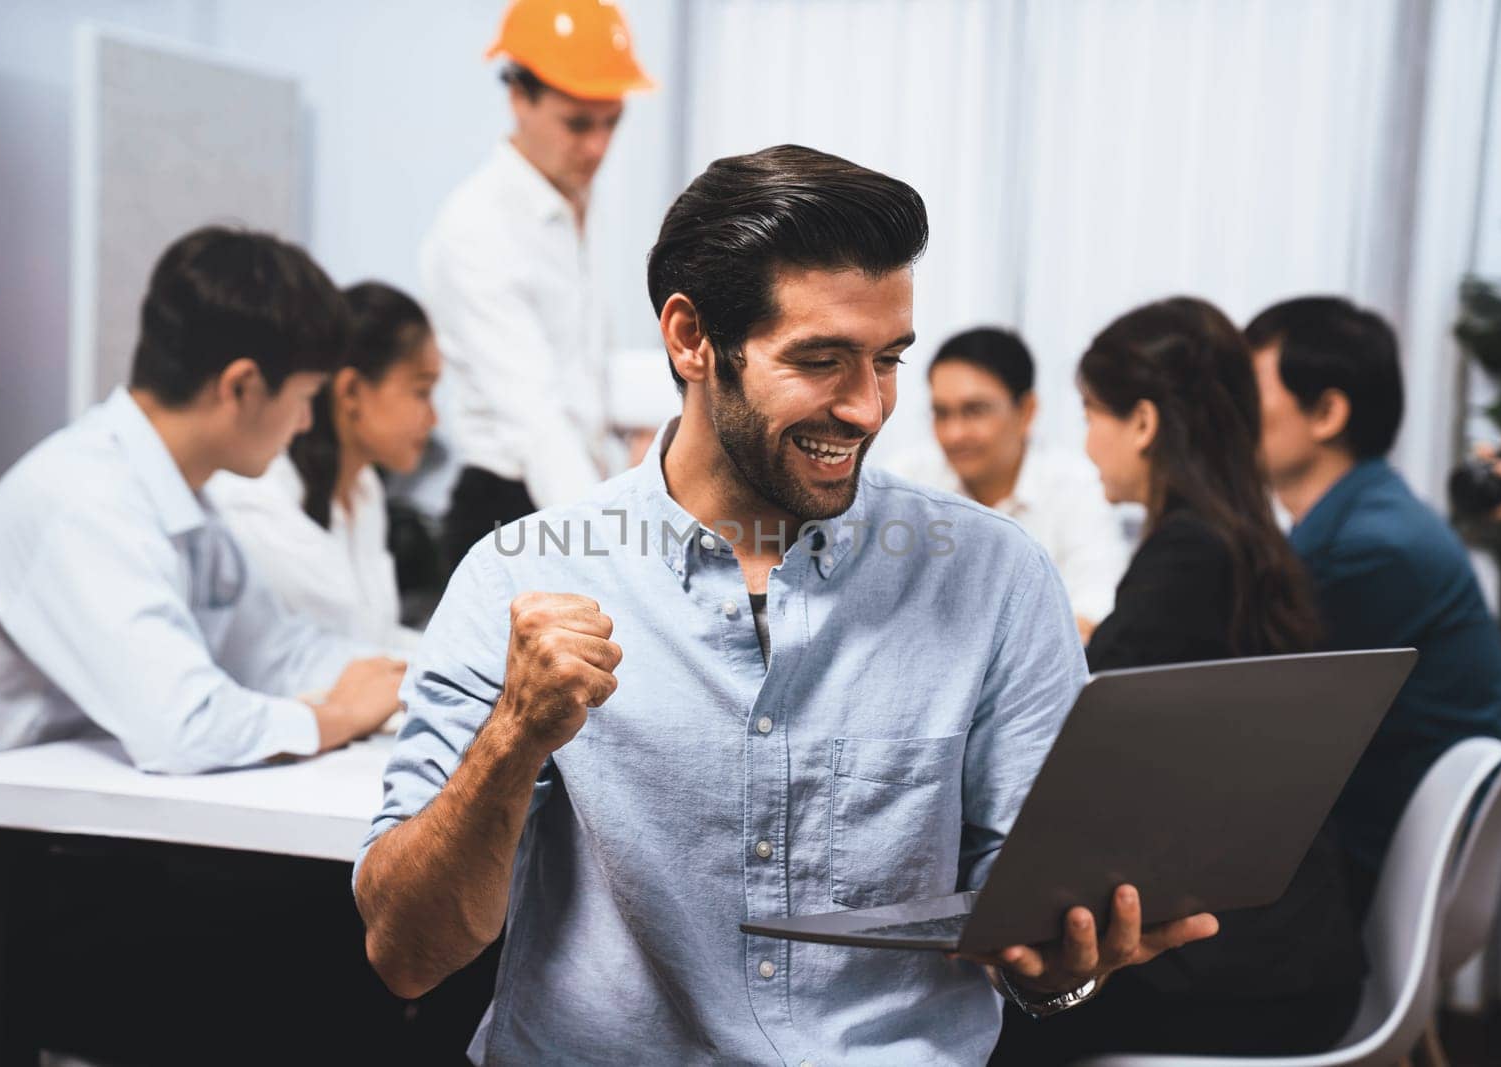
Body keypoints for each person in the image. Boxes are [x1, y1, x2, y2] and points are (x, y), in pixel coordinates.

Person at [354, 145, 1216, 1065]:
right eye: (821, 360)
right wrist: (512, 736)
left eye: (887, 360)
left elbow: (1030, 940)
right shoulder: (516, 576)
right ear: (690, 340)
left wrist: (1064, 967)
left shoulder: (998, 581)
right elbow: (407, 954)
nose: (867, 407)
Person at [0, 226, 405, 1048]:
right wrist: (335, 718)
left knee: (358, 931)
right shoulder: (82, 499)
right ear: (242, 385)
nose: (301, 425)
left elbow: (280, 652)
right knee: (332, 962)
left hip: (92, 861)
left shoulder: (181, 501)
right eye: (303, 396)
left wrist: (418, 676)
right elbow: (182, 726)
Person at [990, 298, 1365, 1063]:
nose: (1087, 440)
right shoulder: (1250, 541)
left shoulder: (1189, 556)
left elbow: (1080, 732)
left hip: (1233, 972)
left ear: (1145, 423)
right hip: (1293, 946)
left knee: (980, 1018)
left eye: (1093, 412)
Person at [1245, 296, 1501, 916]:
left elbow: (1254, 721)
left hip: (1377, 876)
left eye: (1245, 391)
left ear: (1326, 411)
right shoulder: (1368, 518)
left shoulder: (1366, 549)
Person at [420, 0, 655, 574]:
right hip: (509, 509)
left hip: (574, 491)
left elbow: (582, 371)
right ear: (519, 97)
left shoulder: (574, 199)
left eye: (611, 122)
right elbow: (535, 418)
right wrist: (613, 546)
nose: (598, 147)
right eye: (578, 123)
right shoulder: (478, 226)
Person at [210, 281, 439, 653]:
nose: (434, 419)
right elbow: (340, 655)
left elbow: (374, 638)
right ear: (350, 391)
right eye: (422, 391)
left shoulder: (365, 489)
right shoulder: (259, 496)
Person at [890, 327, 1128, 637]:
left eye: (975, 411)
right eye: (941, 413)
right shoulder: (905, 481)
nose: (954, 433)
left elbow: (1098, 609)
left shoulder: (1076, 487)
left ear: (1026, 412)